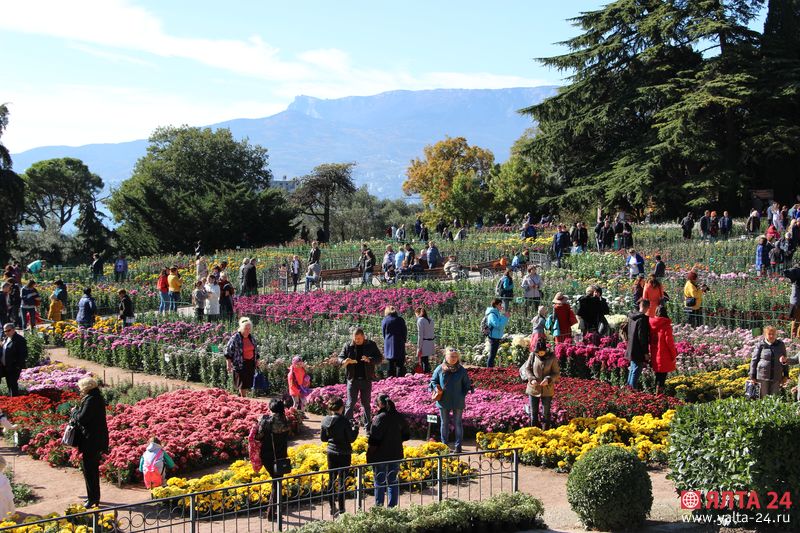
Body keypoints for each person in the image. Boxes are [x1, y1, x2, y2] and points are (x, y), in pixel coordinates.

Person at [367, 394, 410, 508]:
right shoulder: (399, 416)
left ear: (380, 405)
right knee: (393, 481)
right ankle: (392, 507)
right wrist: (396, 439)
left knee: (379, 482)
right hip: (395, 453)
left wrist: (370, 453)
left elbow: (374, 440)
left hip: (380, 455)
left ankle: (379, 507)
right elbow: (406, 435)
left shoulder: (379, 418)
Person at [72, 377, 109, 507]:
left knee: (90, 470)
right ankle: (93, 497)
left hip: (91, 442)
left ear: (86, 387)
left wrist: (74, 412)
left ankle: (93, 498)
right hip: (95, 440)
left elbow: (82, 418)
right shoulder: (96, 397)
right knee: (91, 470)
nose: (80, 389)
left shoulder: (91, 400)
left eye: (81, 387)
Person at [320, 396, 359, 518]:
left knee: (331, 479)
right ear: (341, 408)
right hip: (344, 453)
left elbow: (323, 438)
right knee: (342, 481)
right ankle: (342, 509)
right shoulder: (343, 421)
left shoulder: (325, 420)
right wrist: (356, 429)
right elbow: (351, 438)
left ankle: (332, 507)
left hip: (331, 452)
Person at [338, 328, 383, 428]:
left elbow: (379, 358)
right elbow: (340, 357)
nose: (356, 340)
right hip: (352, 379)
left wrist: (369, 359)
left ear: (363, 336)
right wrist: (344, 361)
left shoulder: (371, 345)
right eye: (355, 338)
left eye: (359, 338)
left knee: (366, 404)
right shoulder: (348, 346)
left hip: (366, 379)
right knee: (350, 403)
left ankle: (368, 427)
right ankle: (345, 426)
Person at [430, 348, 472, 453]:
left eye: (455, 356)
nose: (453, 358)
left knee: (458, 423)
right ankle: (445, 446)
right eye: (451, 356)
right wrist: (436, 388)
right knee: (444, 423)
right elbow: (433, 381)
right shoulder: (440, 369)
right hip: (443, 401)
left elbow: (467, 384)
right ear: (446, 357)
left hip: (458, 401)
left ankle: (458, 447)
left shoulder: (461, 370)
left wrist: (462, 394)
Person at [256, 399, 291, 520]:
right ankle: (272, 512)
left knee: (275, 482)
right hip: (280, 457)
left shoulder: (265, 421)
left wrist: (259, 421)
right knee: (277, 482)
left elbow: (258, 436)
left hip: (266, 455)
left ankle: (272, 511)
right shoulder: (285, 421)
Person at [522, 339, 560, 429]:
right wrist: (531, 379)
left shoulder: (552, 358)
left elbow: (556, 373)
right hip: (533, 388)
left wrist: (548, 379)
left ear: (545, 350)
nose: (540, 354)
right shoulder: (533, 355)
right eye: (538, 352)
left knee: (546, 413)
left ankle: (546, 431)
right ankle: (534, 432)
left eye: (542, 352)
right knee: (533, 413)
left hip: (547, 389)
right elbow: (527, 369)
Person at [225, 317, 259, 397]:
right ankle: (244, 399)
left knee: (247, 382)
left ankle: (241, 397)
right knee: (242, 383)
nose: (248, 330)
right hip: (240, 363)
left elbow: (256, 350)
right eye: (246, 328)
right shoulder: (235, 338)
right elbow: (228, 352)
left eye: (249, 328)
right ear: (241, 328)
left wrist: (257, 360)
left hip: (250, 363)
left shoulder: (251, 337)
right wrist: (228, 364)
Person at [748, 326, 786, 398]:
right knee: (763, 398)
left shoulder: (780, 345)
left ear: (776, 335)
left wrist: (786, 375)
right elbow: (754, 360)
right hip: (762, 376)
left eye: (773, 334)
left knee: (775, 398)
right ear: (765, 335)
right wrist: (752, 376)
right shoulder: (760, 345)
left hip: (776, 376)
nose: (771, 336)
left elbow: (785, 360)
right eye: (769, 334)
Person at [648, 305, 677, 394]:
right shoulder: (666, 325)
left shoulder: (651, 324)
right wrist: (674, 355)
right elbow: (670, 343)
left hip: (654, 354)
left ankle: (656, 393)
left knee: (657, 376)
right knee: (662, 377)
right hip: (664, 355)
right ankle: (659, 396)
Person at [625, 299, 651, 389]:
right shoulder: (642, 319)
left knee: (632, 369)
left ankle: (628, 389)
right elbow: (642, 337)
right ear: (648, 307)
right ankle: (632, 392)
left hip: (631, 346)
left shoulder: (632, 317)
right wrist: (645, 352)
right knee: (636, 370)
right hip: (638, 349)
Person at [1, 323, 28, 396]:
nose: (6, 333)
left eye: (8, 330)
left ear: (13, 329)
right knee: (9, 385)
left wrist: (17, 366)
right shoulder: (6, 339)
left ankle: (15, 402)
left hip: (14, 367)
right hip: (6, 366)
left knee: (13, 385)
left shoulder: (19, 340)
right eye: (5, 331)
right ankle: (12, 401)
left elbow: (23, 354)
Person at [381, 306, 407, 377]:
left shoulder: (385, 320)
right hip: (399, 343)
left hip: (388, 344)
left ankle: (390, 381)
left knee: (390, 365)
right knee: (400, 365)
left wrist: (386, 340)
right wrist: (404, 340)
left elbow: (384, 333)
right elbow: (404, 332)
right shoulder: (400, 319)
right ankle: (400, 381)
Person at [484, 298, 509, 367]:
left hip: (496, 336)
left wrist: (504, 316)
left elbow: (501, 323)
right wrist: (505, 317)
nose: (502, 306)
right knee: (492, 355)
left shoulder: (497, 313)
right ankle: (489, 370)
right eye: (500, 304)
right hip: (493, 337)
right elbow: (498, 325)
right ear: (495, 305)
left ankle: (490, 369)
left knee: (493, 354)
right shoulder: (492, 314)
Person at [415, 307, 434, 373]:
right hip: (430, 342)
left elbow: (420, 335)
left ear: (418, 313)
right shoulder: (430, 320)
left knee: (424, 361)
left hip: (424, 342)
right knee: (426, 360)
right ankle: (428, 374)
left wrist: (419, 348)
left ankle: (425, 376)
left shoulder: (420, 320)